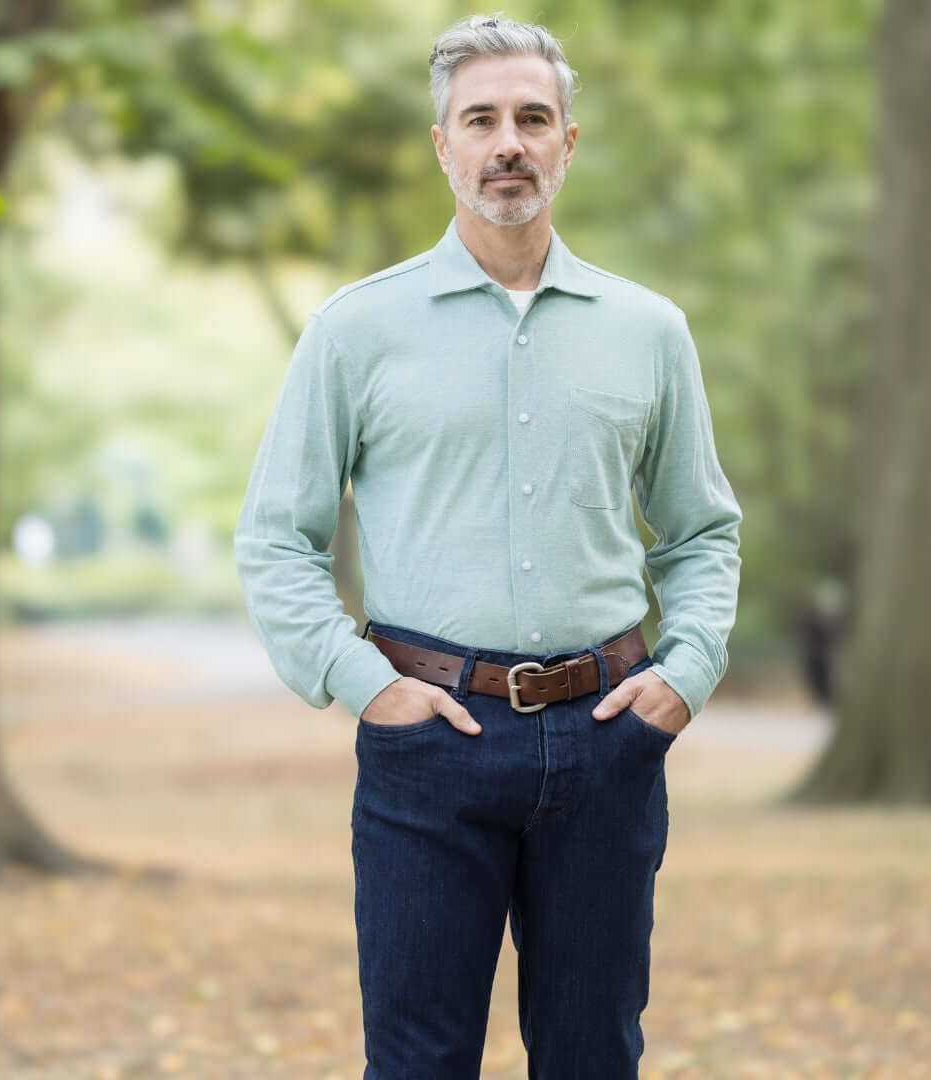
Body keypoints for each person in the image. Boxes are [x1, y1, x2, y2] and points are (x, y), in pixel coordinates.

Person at [235, 13, 742, 1078]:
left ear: (568, 142)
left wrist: (685, 673)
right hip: (429, 743)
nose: (507, 142)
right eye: (481, 119)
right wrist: (361, 684)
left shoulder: (648, 330)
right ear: (443, 145)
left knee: (594, 1055)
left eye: (531, 118)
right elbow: (277, 539)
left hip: (608, 741)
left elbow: (699, 532)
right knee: (417, 1062)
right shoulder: (355, 330)